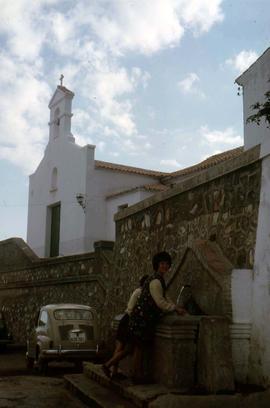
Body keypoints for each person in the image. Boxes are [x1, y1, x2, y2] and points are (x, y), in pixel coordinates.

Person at [128, 251, 187, 383]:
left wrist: (175, 307)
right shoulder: (155, 281)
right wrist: (174, 308)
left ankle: (137, 375)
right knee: (139, 349)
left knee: (140, 348)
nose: (164, 266)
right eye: (162, 263)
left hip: (143, 319)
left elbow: (166, 297)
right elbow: (160, 302)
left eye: (166, 264)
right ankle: (135, 375)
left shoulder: (158, 279)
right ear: (157, 265)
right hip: (142, 319)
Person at [102, 274, 149, 379]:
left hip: (126, 320)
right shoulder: (140, 292)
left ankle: (113, 371)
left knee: (121, 347)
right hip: (129, 321)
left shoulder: (139, 292)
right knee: (126, 348)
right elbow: (132, 309)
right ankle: (109, 367)